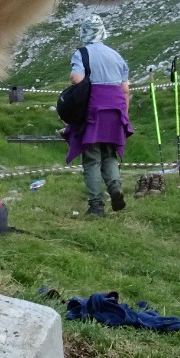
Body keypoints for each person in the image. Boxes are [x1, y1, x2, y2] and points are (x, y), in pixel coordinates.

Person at [63, 15, 132, 217]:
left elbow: (77, 79)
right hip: (116, 108)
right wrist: (124, 115)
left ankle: (96, 206)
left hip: (94, 109)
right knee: (109, 153)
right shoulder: (116, 55)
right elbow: (125, 89)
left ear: (84, 33)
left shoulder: (82, 53)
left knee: (92, 158)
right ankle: (115, 187)